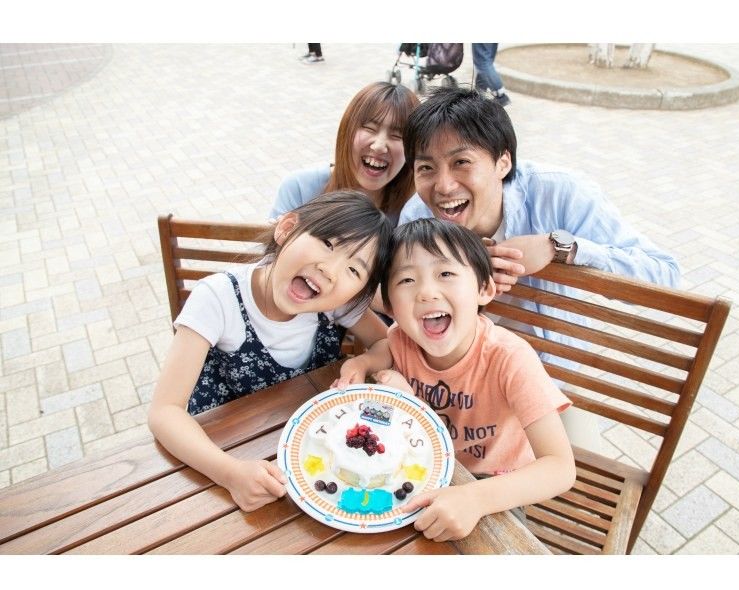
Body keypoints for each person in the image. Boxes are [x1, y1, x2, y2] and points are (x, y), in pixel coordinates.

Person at [398, 86, 681, 450]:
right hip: (460, 385)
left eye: (461, 162)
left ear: (503, 161)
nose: (444, 185)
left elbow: (664, 273)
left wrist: (558, 247)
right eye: (426, 168)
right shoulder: (418, 217)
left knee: (574, 489)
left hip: (552, 382)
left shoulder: (561, 194)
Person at [148, 191, 393, 513]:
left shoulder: (338, 304)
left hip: (311, 456)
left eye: (354, 270)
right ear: (287, 227)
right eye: (329, 244)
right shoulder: (217, 298)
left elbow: (385, 342)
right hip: (220, 453)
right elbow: (164, 412)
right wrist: (230, 473)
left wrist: (363, 361)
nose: (331, 270)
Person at [334, 218, 576, 541]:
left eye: (445, 273)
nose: (426, 292)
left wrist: (476, 498)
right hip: (419, 466)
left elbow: (560, 467)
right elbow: (386, 347)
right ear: (390, 306)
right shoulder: (402, 338)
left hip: (490, 485)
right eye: (406, 279)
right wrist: (365, 361)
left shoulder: (510, 359)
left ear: (484, 288)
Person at [270, 82, 420, 227]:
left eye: (397, 135)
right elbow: (271, 251)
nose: (379, 146)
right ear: (347, 130)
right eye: (369, 128)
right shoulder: (299, 188)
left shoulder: (415, 211)